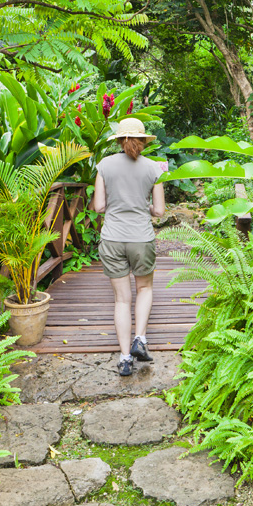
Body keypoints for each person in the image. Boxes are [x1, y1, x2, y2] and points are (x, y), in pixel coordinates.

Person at [92, 118, 166, 376]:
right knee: (144, 287)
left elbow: (99, 207)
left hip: (112, 238)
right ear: (144, 140)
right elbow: (158, 211)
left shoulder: (104, 166)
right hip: (141, 239)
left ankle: (125, 359)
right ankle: (140, 339)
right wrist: (141, 205)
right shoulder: (155, 168)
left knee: (121, 299)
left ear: (119, 140)